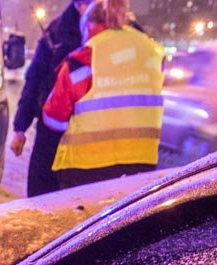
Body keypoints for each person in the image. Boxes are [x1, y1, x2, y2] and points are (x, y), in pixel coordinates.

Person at [41, 0, 163, 189]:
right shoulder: (151, 51)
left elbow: (54, 118)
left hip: (87, 169)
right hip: (142, 163)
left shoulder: (83, 59)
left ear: (90, 24)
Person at [10, 0, 88, 196]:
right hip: (51, 136)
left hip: (90, 140)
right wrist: (20, 128)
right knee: (42, 199)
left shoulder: (114, 34)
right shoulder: (56, 32)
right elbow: (34, 79)